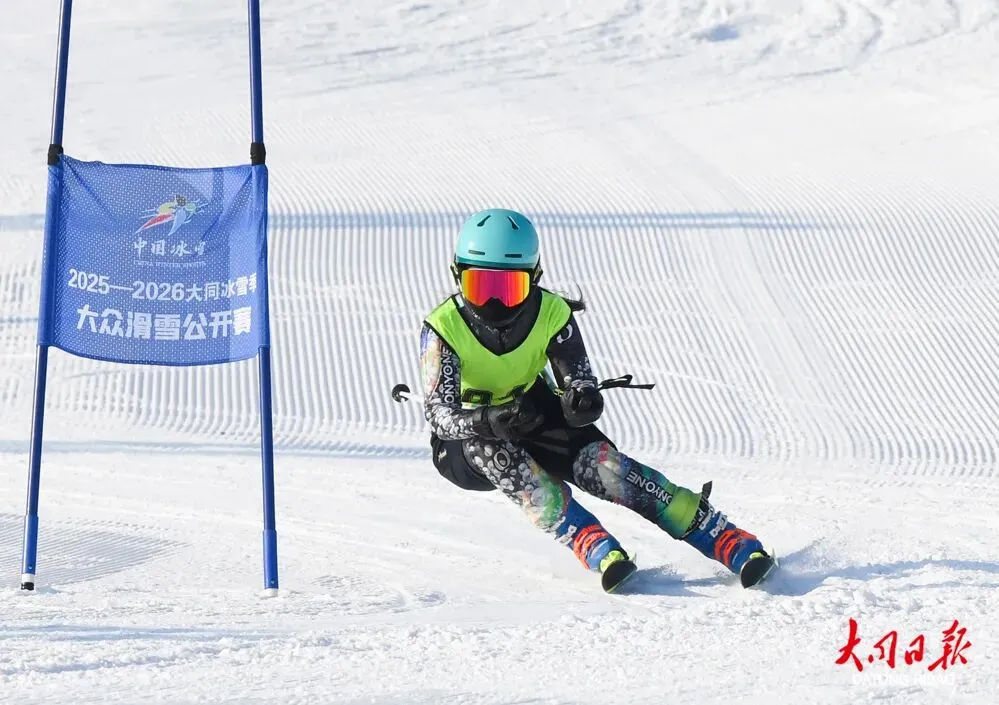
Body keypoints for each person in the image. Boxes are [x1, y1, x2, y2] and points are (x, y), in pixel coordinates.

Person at [419, 208, 775, 592]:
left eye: (510, 290)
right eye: (480, 287)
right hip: (463, 443)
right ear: (457, 276)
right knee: (492, 449)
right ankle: (589, 540)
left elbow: (577, 379)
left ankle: (722, 536)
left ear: (534, 279)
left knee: (604, 467)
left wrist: (581, 401)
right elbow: (439, 414)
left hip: (528, 412)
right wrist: (487, 419)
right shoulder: (444, 328)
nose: (495, 305)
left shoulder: (551, 312)